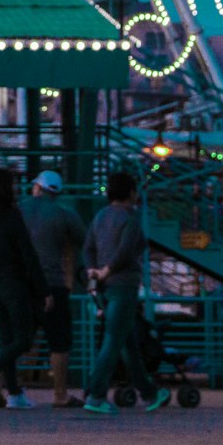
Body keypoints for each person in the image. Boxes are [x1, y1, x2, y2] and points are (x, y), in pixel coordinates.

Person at [82, 170, 170, 415]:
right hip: (124, 285)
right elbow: (126, 250)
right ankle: (96, 394)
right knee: (113, 340)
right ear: (131, 192)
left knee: (127, 342)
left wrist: (94, 271)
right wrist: (108, 270)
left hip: (103, 287)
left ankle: (149, 392)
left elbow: (88, 247)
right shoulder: (131, 217)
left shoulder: (100, 216)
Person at [0, 167, 48, 410]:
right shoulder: (12, 216)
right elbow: (28, 254)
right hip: (14, 284)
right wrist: (43, 289)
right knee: (24, 339)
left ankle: (14, 393)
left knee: (8, 340)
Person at [21, 169, 86, 406]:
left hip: (24, 285)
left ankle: (4, 386)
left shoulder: (19, 209)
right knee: (59, 341)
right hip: (54, 285)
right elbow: (84, 241)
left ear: (38, 187)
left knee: (18, 338)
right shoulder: (64, 213)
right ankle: (60, 394)